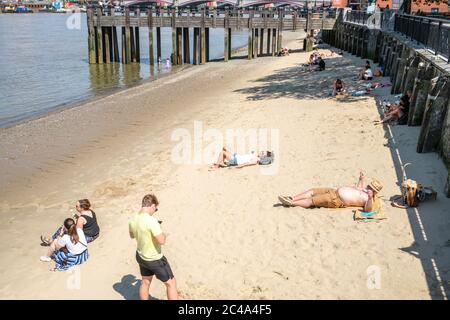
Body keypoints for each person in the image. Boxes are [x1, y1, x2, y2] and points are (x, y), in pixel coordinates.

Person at [128, 194, 178, 300]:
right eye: (156, 209)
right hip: (154, 259)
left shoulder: (132, 218)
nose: (155, 211)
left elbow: (132, 235)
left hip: (141, 256)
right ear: (152, 205)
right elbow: (162, 241)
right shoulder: (151, 221)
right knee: (171, 284)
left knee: (145, 282)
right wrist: (160, 229)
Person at [278, 172, 383, 212]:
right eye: (369, 185)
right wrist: (361, 179)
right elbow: (359, 187)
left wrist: (369, 198)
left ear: (374, 192)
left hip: (336, 199)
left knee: (312, 200)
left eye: (371, 188)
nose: (368, 187)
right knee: (312, 191)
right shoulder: (364, 189)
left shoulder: (368, 198)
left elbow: (368, 210)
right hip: (333, 191)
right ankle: (292, 198)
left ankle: (292, 203)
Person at [209, 147, 274, 170]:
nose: (261, 152)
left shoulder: (256, 160)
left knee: (222, 152)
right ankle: (222, 162)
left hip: (235, 160)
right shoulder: (256, 155)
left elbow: (246, 164)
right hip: (236, 156)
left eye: (262, 153)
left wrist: (236, 167)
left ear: (263, 157)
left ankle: (216, 167)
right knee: (225, 147)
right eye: (262, 151)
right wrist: (270, 153)